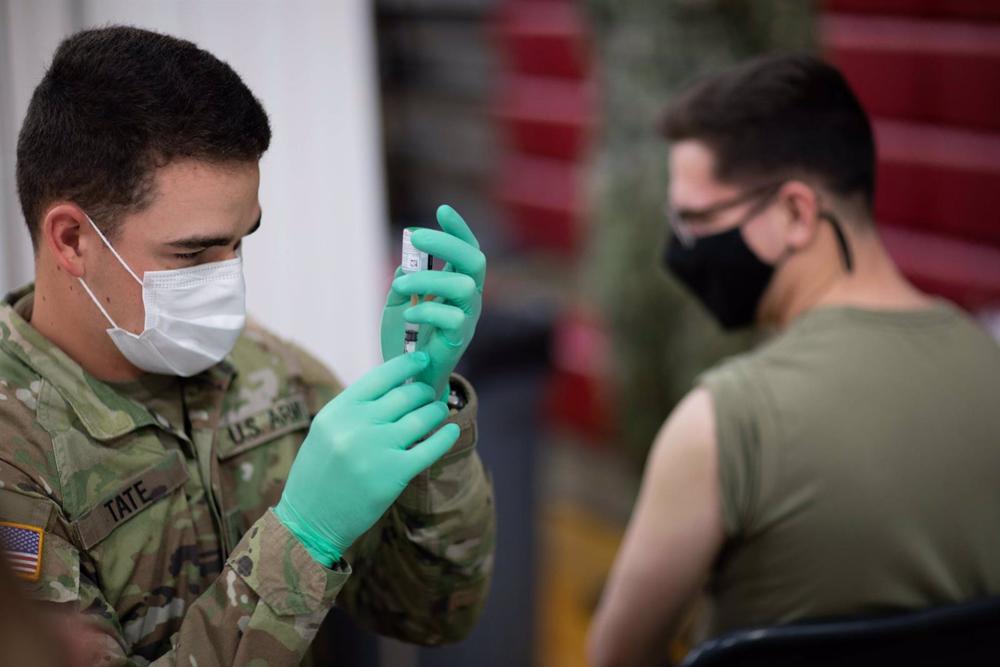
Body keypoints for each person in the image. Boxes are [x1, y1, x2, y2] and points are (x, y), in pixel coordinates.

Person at [0, 26, 495, 665]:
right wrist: (301, 541)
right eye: (193, 254)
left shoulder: (268, 374)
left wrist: (422, 408)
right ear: (71, 240)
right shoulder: (17, 459)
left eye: (239, 242)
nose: (227, 279)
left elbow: (432, 613)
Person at [588, 53, 1000, 666]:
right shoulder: (989, 363)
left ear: (796, 214)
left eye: (697, 220)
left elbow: (616, 658)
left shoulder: (723, 423)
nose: (680, 251)